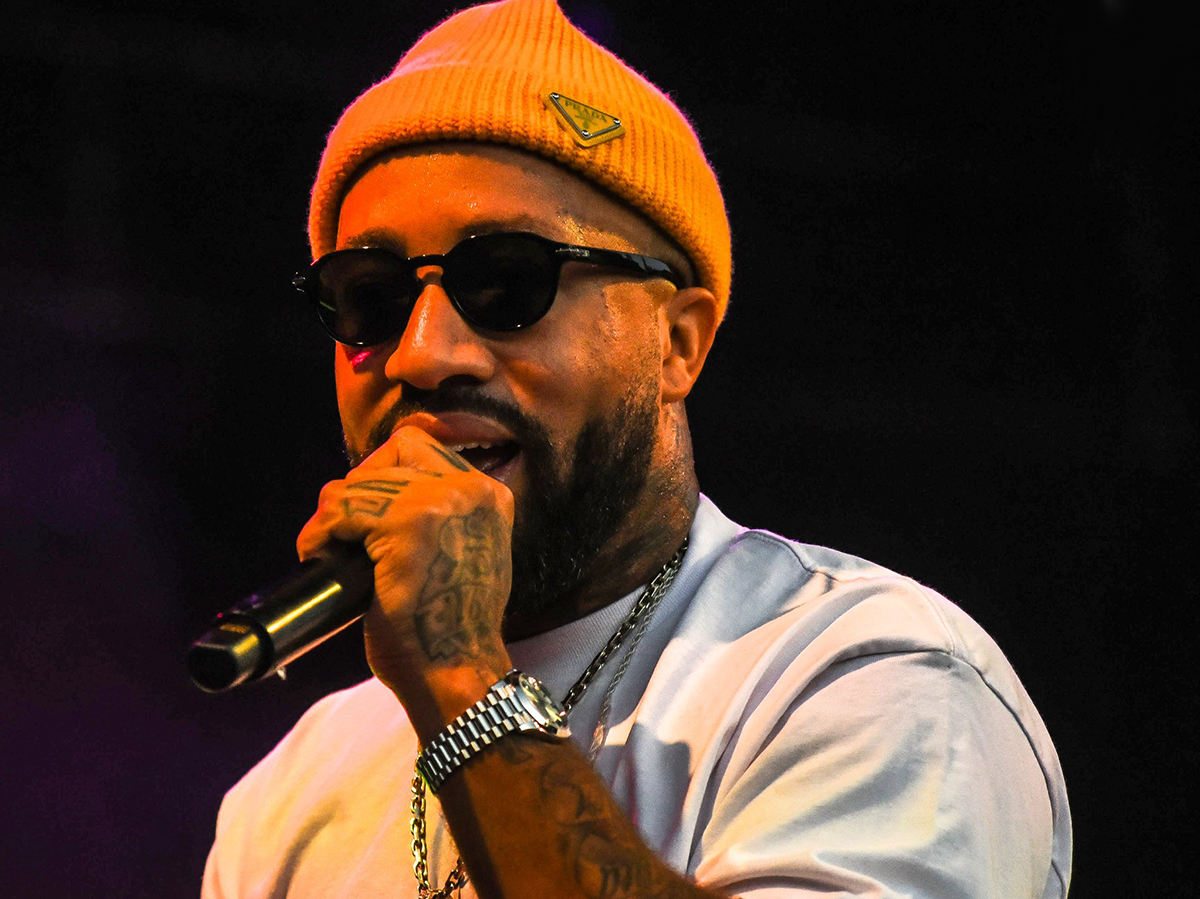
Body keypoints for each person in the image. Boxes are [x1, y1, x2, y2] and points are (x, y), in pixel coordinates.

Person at [201, 1, 1072, 896]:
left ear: (676, 344)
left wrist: (460, 674)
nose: (422, 354)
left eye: (506, 282)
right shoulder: (290, 798)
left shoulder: (872, 676)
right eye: (371, 296)